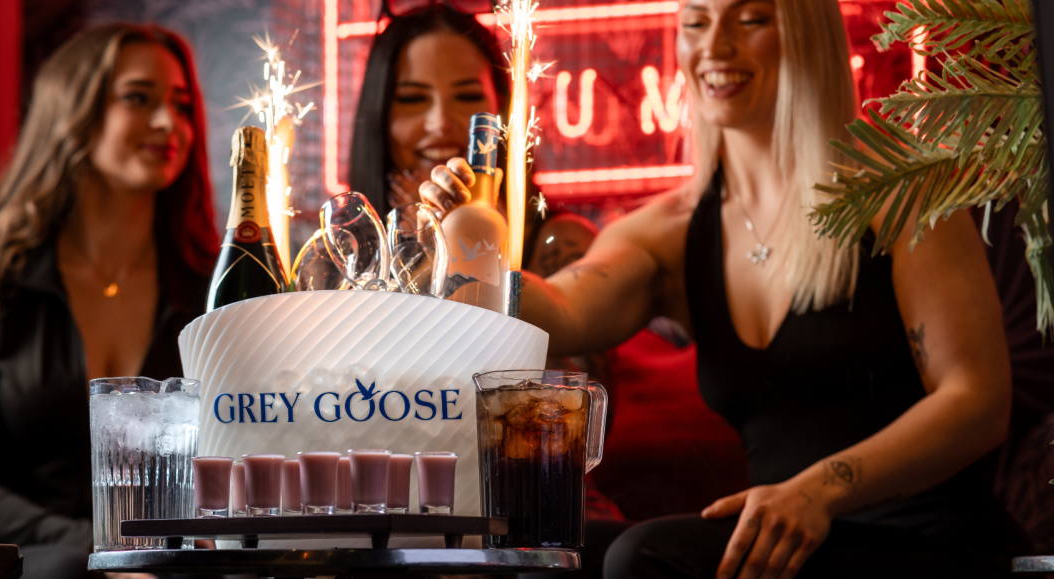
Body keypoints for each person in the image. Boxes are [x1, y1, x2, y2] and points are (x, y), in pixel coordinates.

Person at [420, 0, 1029, 577]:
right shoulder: (671, 230)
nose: (715, 45)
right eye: (697, 22)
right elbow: (562, 310)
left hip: (933, 541)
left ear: (807, 37)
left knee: (640, 558)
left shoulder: (900, 194)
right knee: (543, 551)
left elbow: (978, 402)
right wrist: (464, 244)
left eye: (751, 18)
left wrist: (814, 493)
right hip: (782, 548)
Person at [0, 24, 217, 579]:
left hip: (169, 562)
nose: (168, 123)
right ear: (72, 113)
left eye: (181, 104)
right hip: (29, 559)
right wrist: (101, 551)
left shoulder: (208, 288)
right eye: (137, 98)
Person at [347, 5, 509, 220]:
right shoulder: (338, 239)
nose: (440, 123)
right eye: (412, 99)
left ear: (500, 105)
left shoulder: (551, 236)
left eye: (467, 96)